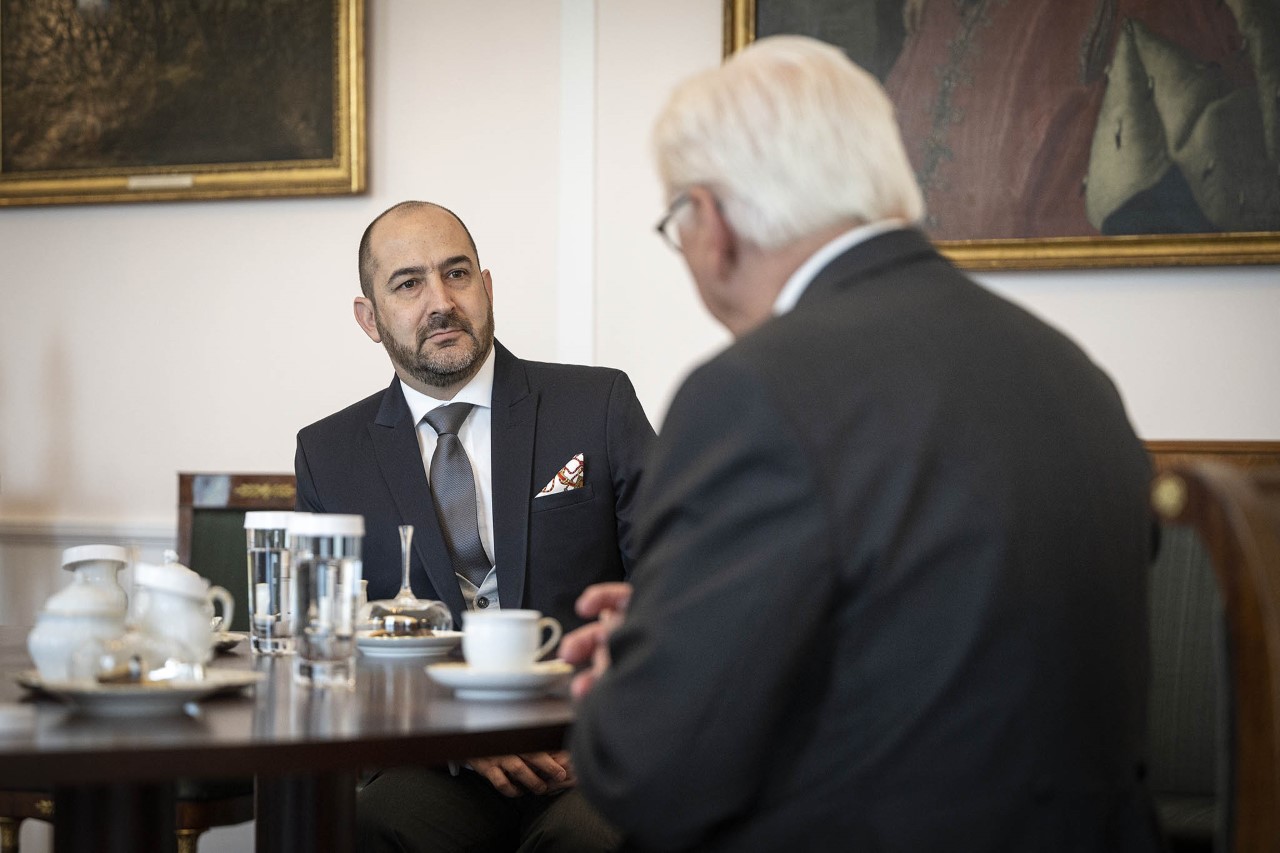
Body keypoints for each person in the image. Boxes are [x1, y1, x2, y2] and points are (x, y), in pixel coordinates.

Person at [560, 36, 1163, 852]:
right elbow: (950, 628)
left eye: (675, 222)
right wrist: (688, 611)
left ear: (712, 221)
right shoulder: (1068, 369)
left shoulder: (750, 391)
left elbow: (652, 771)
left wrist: (632, 677)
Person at [295, 200, 653, 852]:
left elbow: (672, 583)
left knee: (596, 837)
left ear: (486, 289)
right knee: (375, 822)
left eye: (457, 274)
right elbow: (332, 647)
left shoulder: (597, 405)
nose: (441, 301)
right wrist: (461, 735)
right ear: (369, 318)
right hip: (434, 757)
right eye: (409, 283)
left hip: (588, 749)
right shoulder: (329, 455)